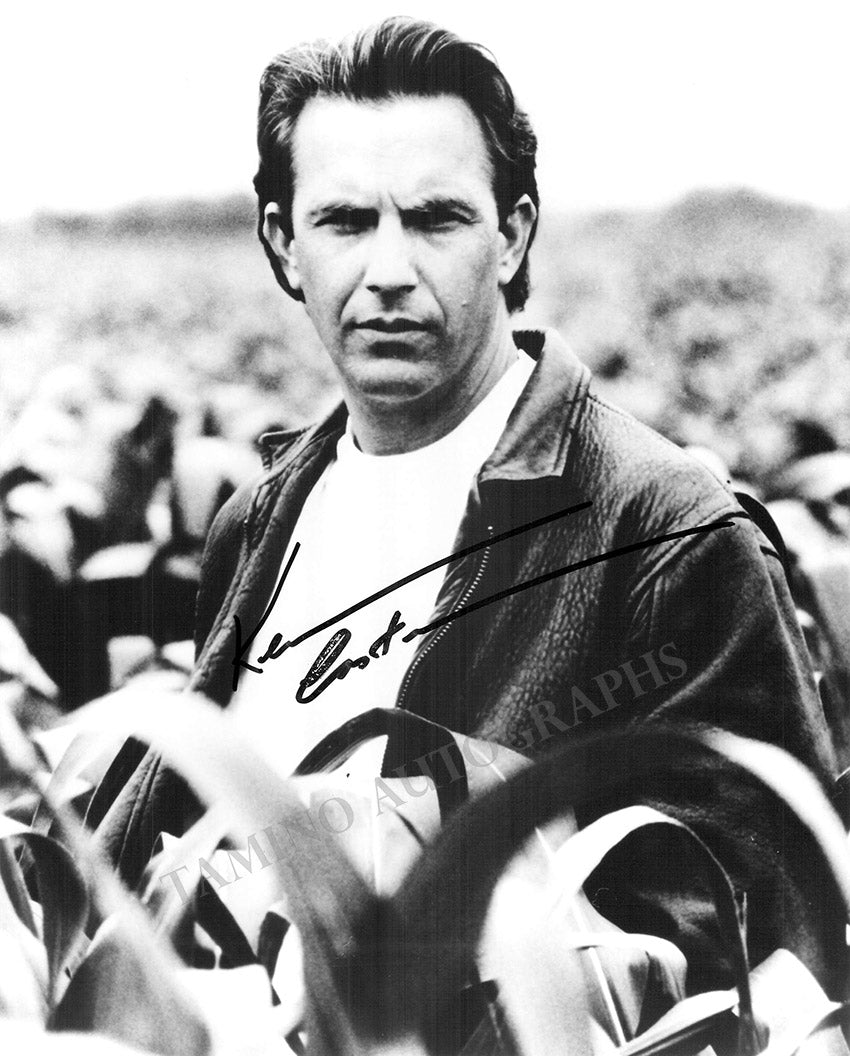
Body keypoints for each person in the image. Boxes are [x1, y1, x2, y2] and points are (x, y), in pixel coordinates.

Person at [90, 16, 843, 997]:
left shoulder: (668, 533)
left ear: (511, 235)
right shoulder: (258, 522)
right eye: (344, 221)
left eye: (436, 219)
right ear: (283, 244)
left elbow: (761, 957)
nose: (388, 271)